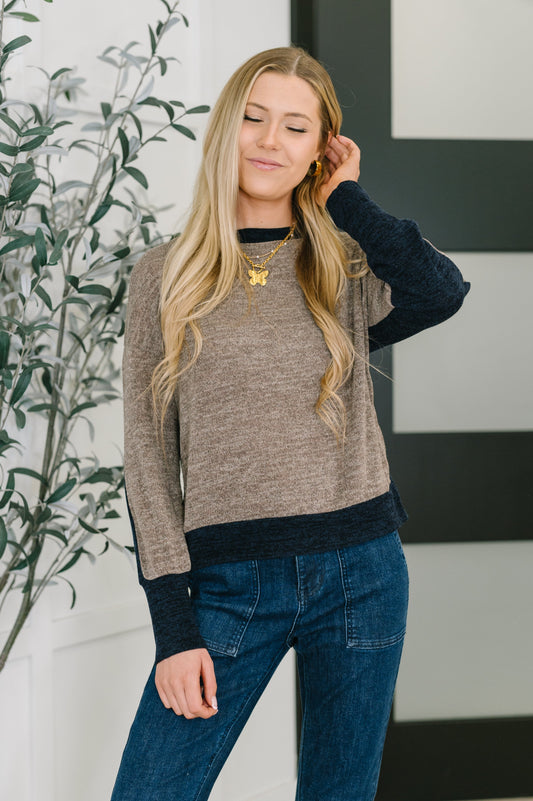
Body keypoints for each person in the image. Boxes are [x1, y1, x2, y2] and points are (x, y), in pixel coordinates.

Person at [111, 46, 470, 801]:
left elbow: (439, 289)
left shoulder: (341, 263)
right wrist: (174, 633)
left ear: (320, 150)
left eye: (296, 127)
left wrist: (347, 200)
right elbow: (146, 458)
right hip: (227, 587)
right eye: (254, 117)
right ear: (225, 130)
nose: (270, 140)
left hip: (360, 571)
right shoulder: (164, 274)